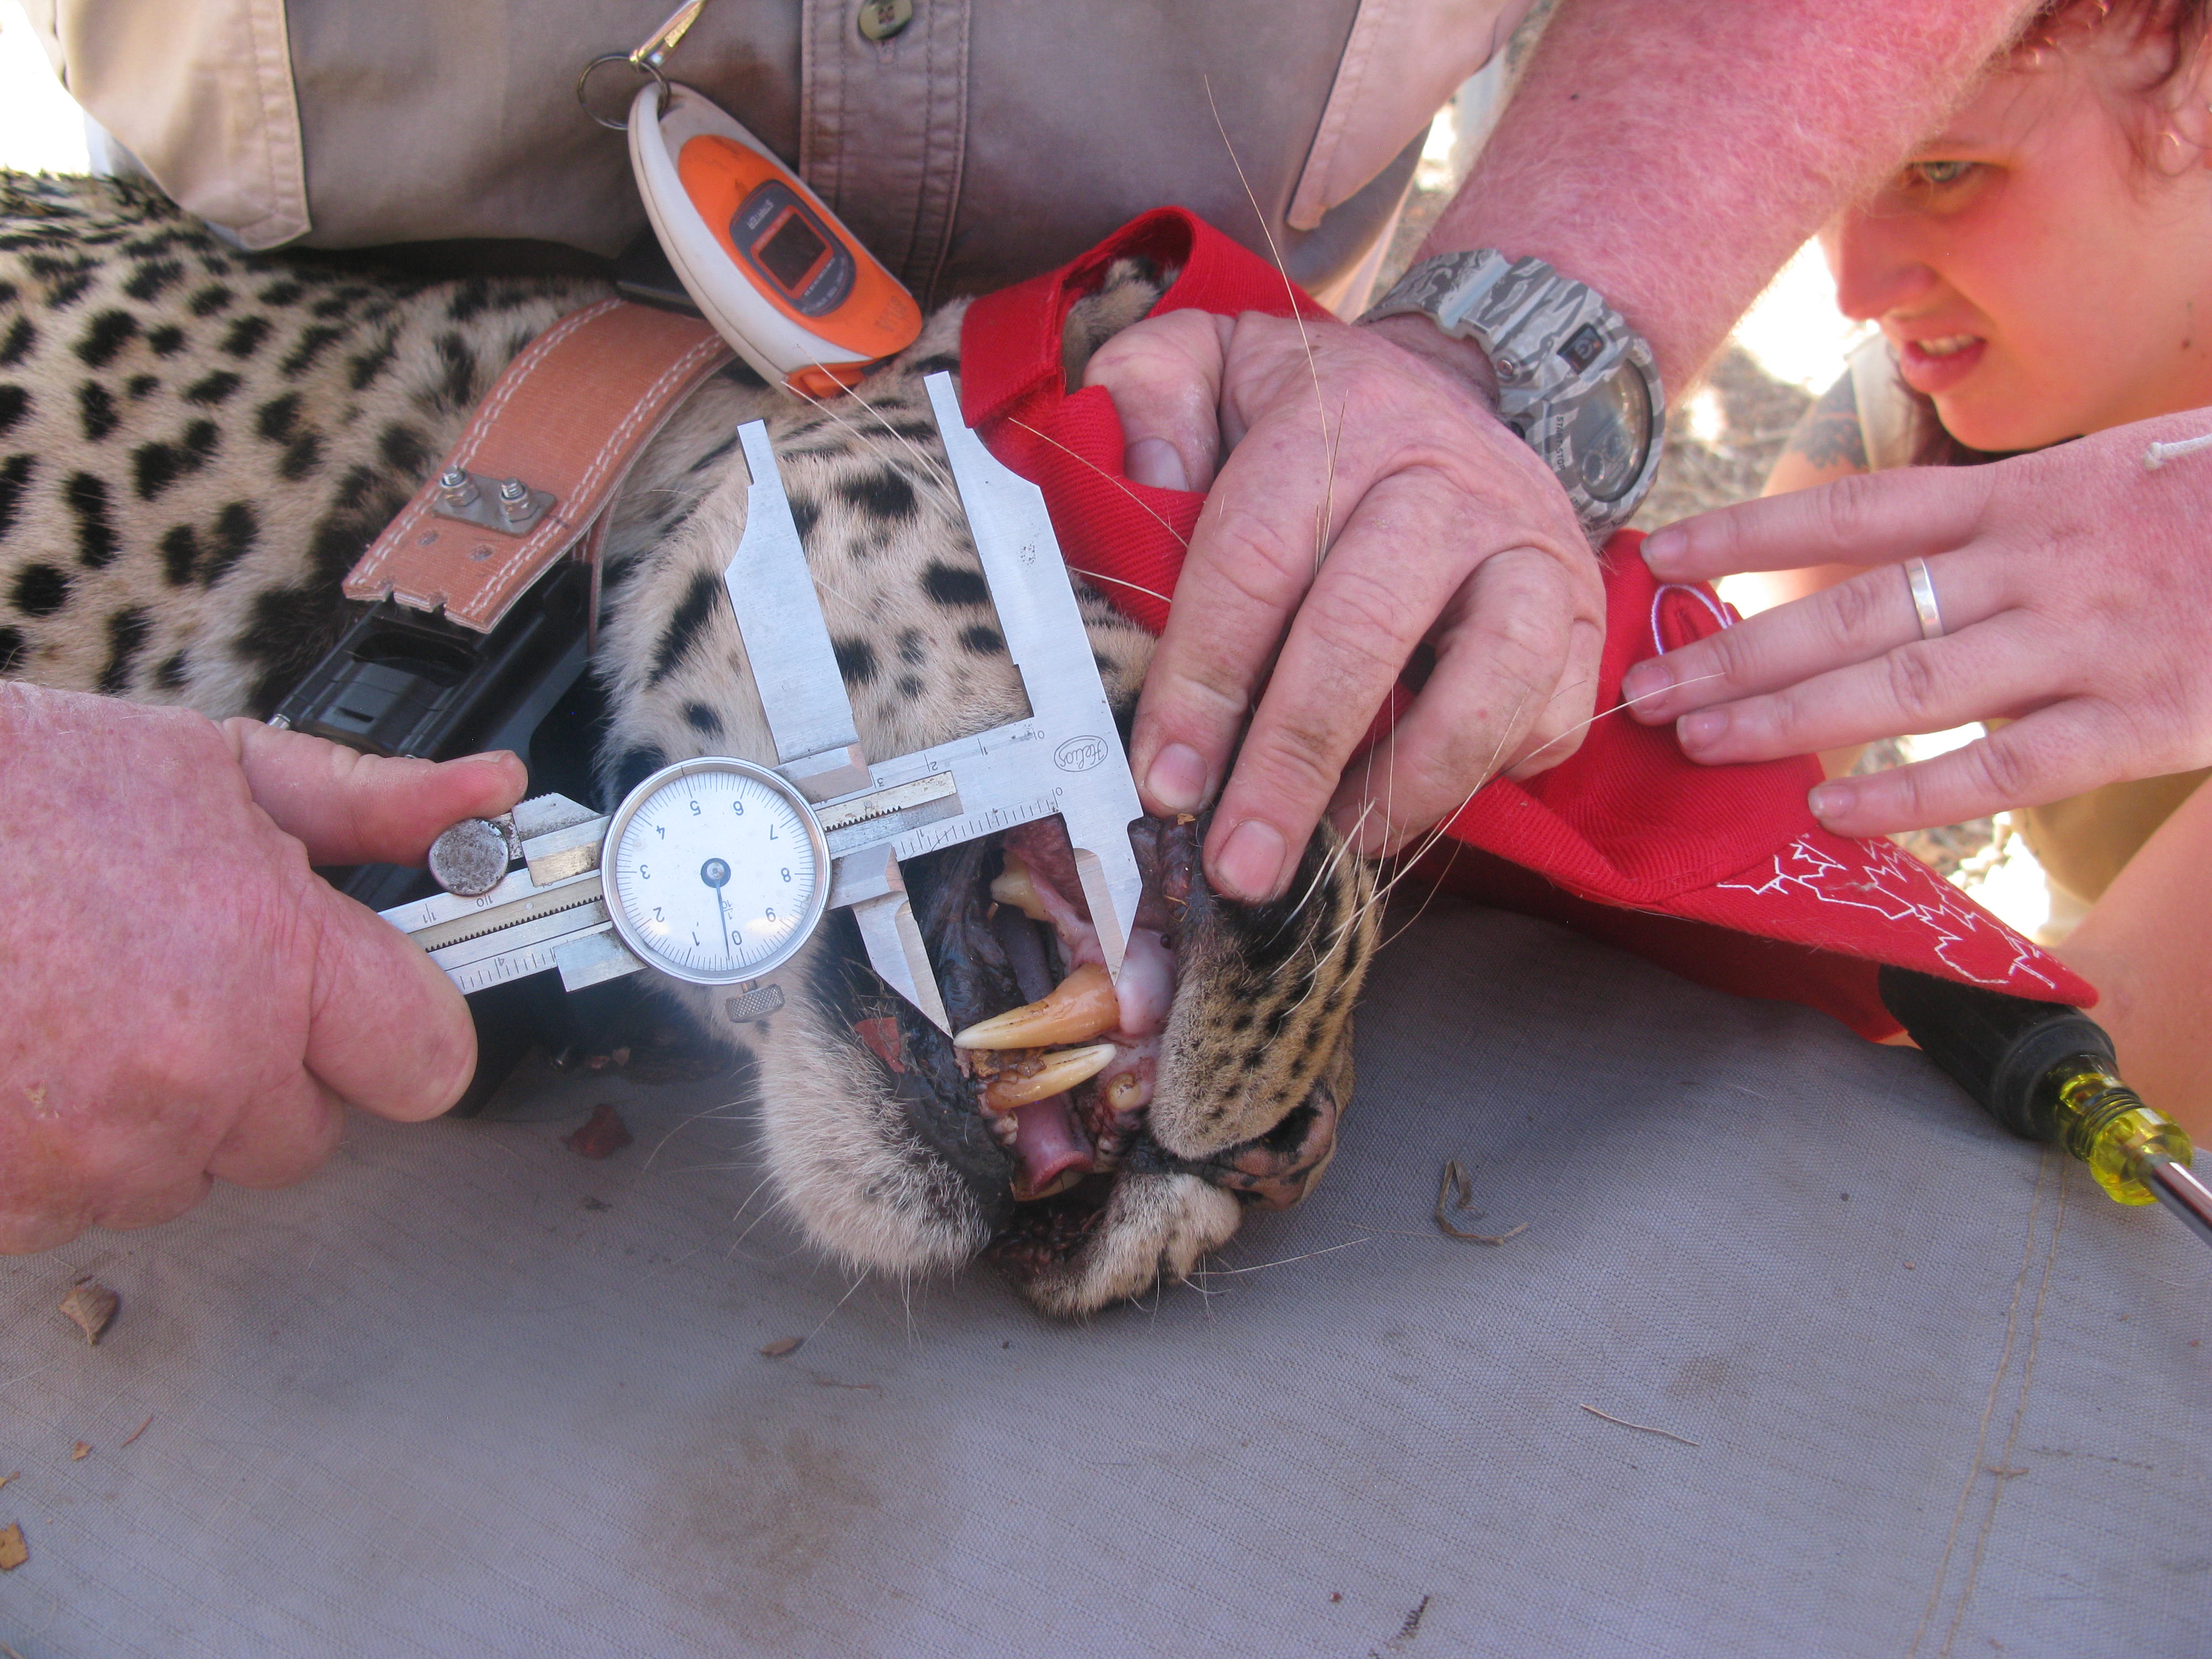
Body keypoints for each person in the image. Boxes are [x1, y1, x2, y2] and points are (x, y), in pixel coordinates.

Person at [3, 0, 2048, 1246]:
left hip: (1227, 372)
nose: (1272, 1152)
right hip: (327, 258)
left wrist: (1505, 345)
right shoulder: (118, 426)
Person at [1618, 0, 2212, 1132]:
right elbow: (1706, 779)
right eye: (1827, 169)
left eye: (1943, 169)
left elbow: (2085, 1070)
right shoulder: (1929, 409)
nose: (1853, 284)